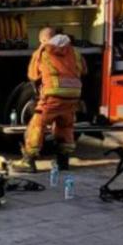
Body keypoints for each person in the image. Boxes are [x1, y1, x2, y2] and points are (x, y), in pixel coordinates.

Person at [12, 27, 86, 173]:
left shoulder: (42, 52)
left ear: (43, 40)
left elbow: (33, 75)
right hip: (73, 94)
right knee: (65, 125)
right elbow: (83, 69)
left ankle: (28, 161)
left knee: (37, 125)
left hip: (52, 95)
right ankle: (63, 162)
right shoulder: (74, 51)